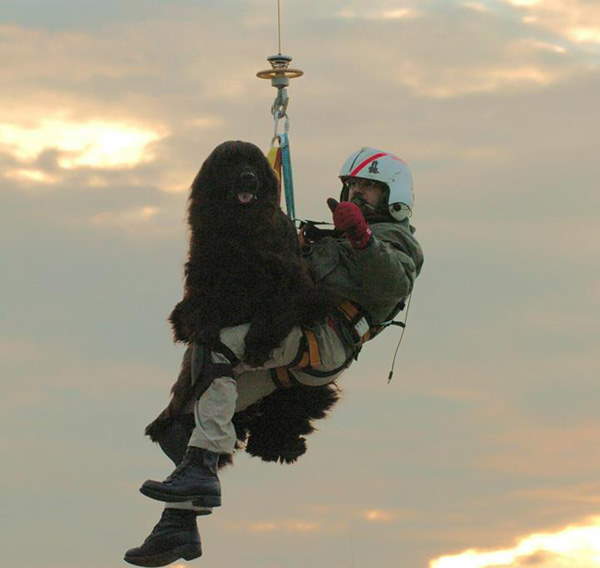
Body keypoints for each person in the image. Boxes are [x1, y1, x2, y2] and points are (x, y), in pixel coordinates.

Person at [124, 147, 424, 567]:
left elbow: (390, 282)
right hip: (295, 335)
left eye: (369, 188)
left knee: (222, 342)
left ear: (394, 196)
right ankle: (178, 527)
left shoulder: (398, 243)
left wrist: (361, 238)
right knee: (191, 414)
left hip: (325, 338)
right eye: (353, 185)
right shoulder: (331, 236)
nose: (357, 194)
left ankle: (199, 480)